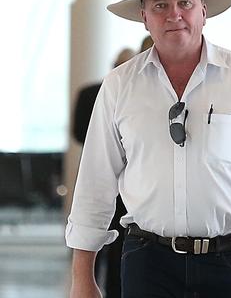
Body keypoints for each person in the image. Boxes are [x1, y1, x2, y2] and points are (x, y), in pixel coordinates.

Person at [66, 0, 231, 298]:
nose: (173, 14)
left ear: (203, 11)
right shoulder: (119, 86)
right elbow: (94, 183)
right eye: (159, 5)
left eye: (184, 2)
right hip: (148, 264)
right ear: (144, 17)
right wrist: (82, 277)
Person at [71, 47, 135, 298]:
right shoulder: (118, 92)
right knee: (116, 237)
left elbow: (77, 133)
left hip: (110, 173)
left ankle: (103, 284)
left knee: (106, 234)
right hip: (124, 178)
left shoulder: (89, 91)